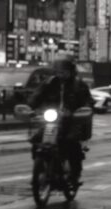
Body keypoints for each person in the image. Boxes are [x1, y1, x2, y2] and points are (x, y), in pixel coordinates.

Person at [27, 54, 94, 182]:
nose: (61, 74)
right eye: (58, 71)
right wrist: (30, 106)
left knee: (71, 143)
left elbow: (88, 102)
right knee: (37, 139)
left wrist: (82, 110)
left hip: (71, 122)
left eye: (64, 71)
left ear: (71, 71)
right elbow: (37, 95)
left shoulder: (79, 85)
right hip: (52, 121)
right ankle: (41, 168)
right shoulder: (49, 83)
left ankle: (75, 173)